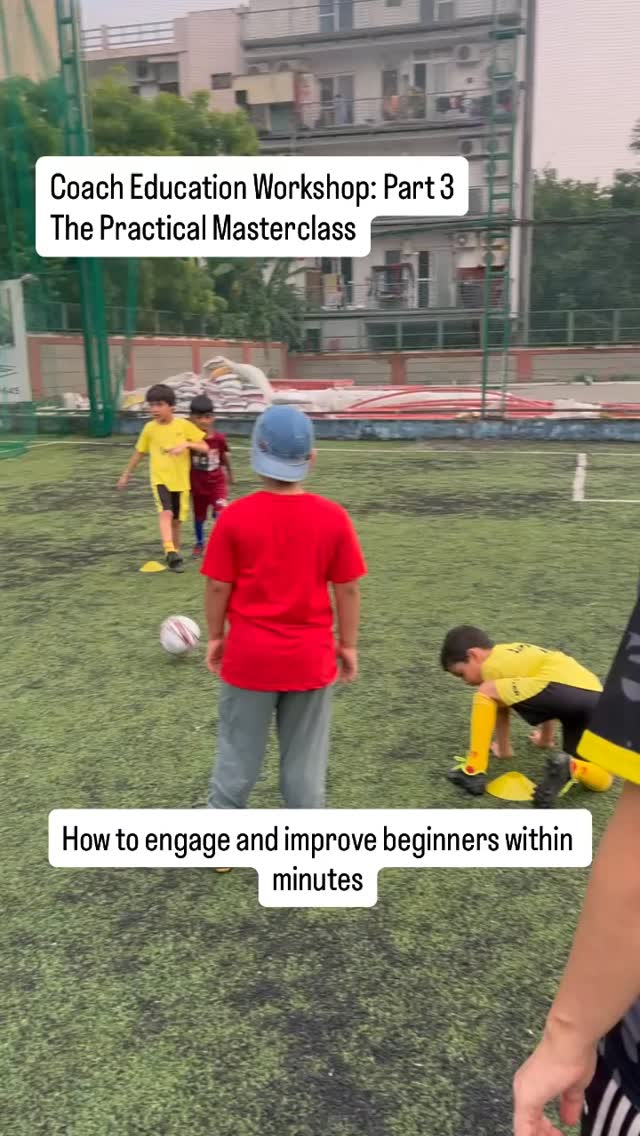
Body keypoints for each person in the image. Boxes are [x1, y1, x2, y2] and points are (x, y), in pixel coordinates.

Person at [513, 597, 640, 1136]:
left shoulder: (496, 677)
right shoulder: (531, 660)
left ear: (472, 660)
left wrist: (568, 1034)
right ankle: (569, 769)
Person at [201, 404, 367, 816]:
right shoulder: (333, 518)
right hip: (309, 659)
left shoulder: (235, 517)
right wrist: (348, 645)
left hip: (249, 657)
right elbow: (346, 590)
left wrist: (217, 635)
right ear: (310, 459)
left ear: (256, 455)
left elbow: (217, 584)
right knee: (305, 761)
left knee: (238, 751)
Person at [440, 625, 612, 805]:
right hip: (595, 696)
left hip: (557, 687)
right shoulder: (514, 654)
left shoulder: (490, 665)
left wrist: (504, 749)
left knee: (485, 692)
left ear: (474, 655)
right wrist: (545, 739)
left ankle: (473, 770)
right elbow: (554, 699)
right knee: (603, 776)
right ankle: (574, 768)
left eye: (461, 674)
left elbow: (501, 708)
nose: (465, 681)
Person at [117, 383, 208, 572]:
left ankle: (175, 556)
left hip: (181, 482)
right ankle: (170, 551)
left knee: (177, 521)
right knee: (165, 512)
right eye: (151, 405)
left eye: (159, 404)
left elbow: (205, 447)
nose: (154, 409)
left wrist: (186, 445)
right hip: (160, 480)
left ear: (171, 406)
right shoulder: (149, 429)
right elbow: (139, 453)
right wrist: (126, 474)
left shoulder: (183, 425)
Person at [188, 395, 233, 558]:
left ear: (213, 418)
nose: (203, 421)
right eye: (198, 417)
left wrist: (230, 473)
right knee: (199, 517)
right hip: (197, 486)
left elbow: (224, 457)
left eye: (207, 417)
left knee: (222, 513)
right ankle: (199, 543)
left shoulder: (219, 439)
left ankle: (222, 545)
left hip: (217, 484)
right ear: (191, 418)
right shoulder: (189, 440)